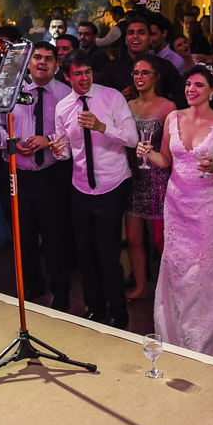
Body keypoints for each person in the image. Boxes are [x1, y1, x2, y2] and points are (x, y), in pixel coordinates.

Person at [140, 65, 213, 364]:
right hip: (176, 203)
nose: (191, 90)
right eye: (188, 84)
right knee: (178, 267)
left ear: (211, 91)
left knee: (208, 268)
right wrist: (146, 153)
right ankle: (178, 333)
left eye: (198, 85)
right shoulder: (172, 117)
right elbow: (166, 160)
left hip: (208, 206)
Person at [55, 50, 139, 329]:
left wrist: (103, 126)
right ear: (67, 76)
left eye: (88, 72)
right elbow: (68, 151)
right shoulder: (63, 107)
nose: (84, 78)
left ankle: (118, 311)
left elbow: (131, 139)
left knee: (107, 252)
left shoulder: (111, 97)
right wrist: (58, 151)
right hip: (80, 186)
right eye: (77, 73)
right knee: (85, 252)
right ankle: (95, 308)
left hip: (111, 183)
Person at [0, 42, 74, 310]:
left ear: (56, 65)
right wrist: (10, 142)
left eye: (48, 59)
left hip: (52, 176)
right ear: (28, 62)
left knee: (55, 237)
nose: (42, 63)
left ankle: (61, 292)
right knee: (23, 236)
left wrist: (49, 139)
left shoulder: (66, 94)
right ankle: (31, 287)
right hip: (17, 175)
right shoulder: (9, 91)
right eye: (37, 57)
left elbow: (71, 133)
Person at [125, 55, 176, 302]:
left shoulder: (169, 107)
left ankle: (168, 288)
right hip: (133, 177)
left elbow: (172, 150)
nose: (139, 77)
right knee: (134, 238)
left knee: (160, 239)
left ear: (156, 76)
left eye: (145, 73)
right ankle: (141, 287)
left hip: (158, 178)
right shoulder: (128, 105)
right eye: (136, 73)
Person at [96, 17, 186, 108]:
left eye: (141, 32)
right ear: (126, 39)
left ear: (150, 38)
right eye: (131, 33)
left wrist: (158, 104)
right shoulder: (112, 67)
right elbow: (98, 100)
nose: (135, 36)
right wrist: (119, 99)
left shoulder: (164, 66)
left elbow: (184, 96)